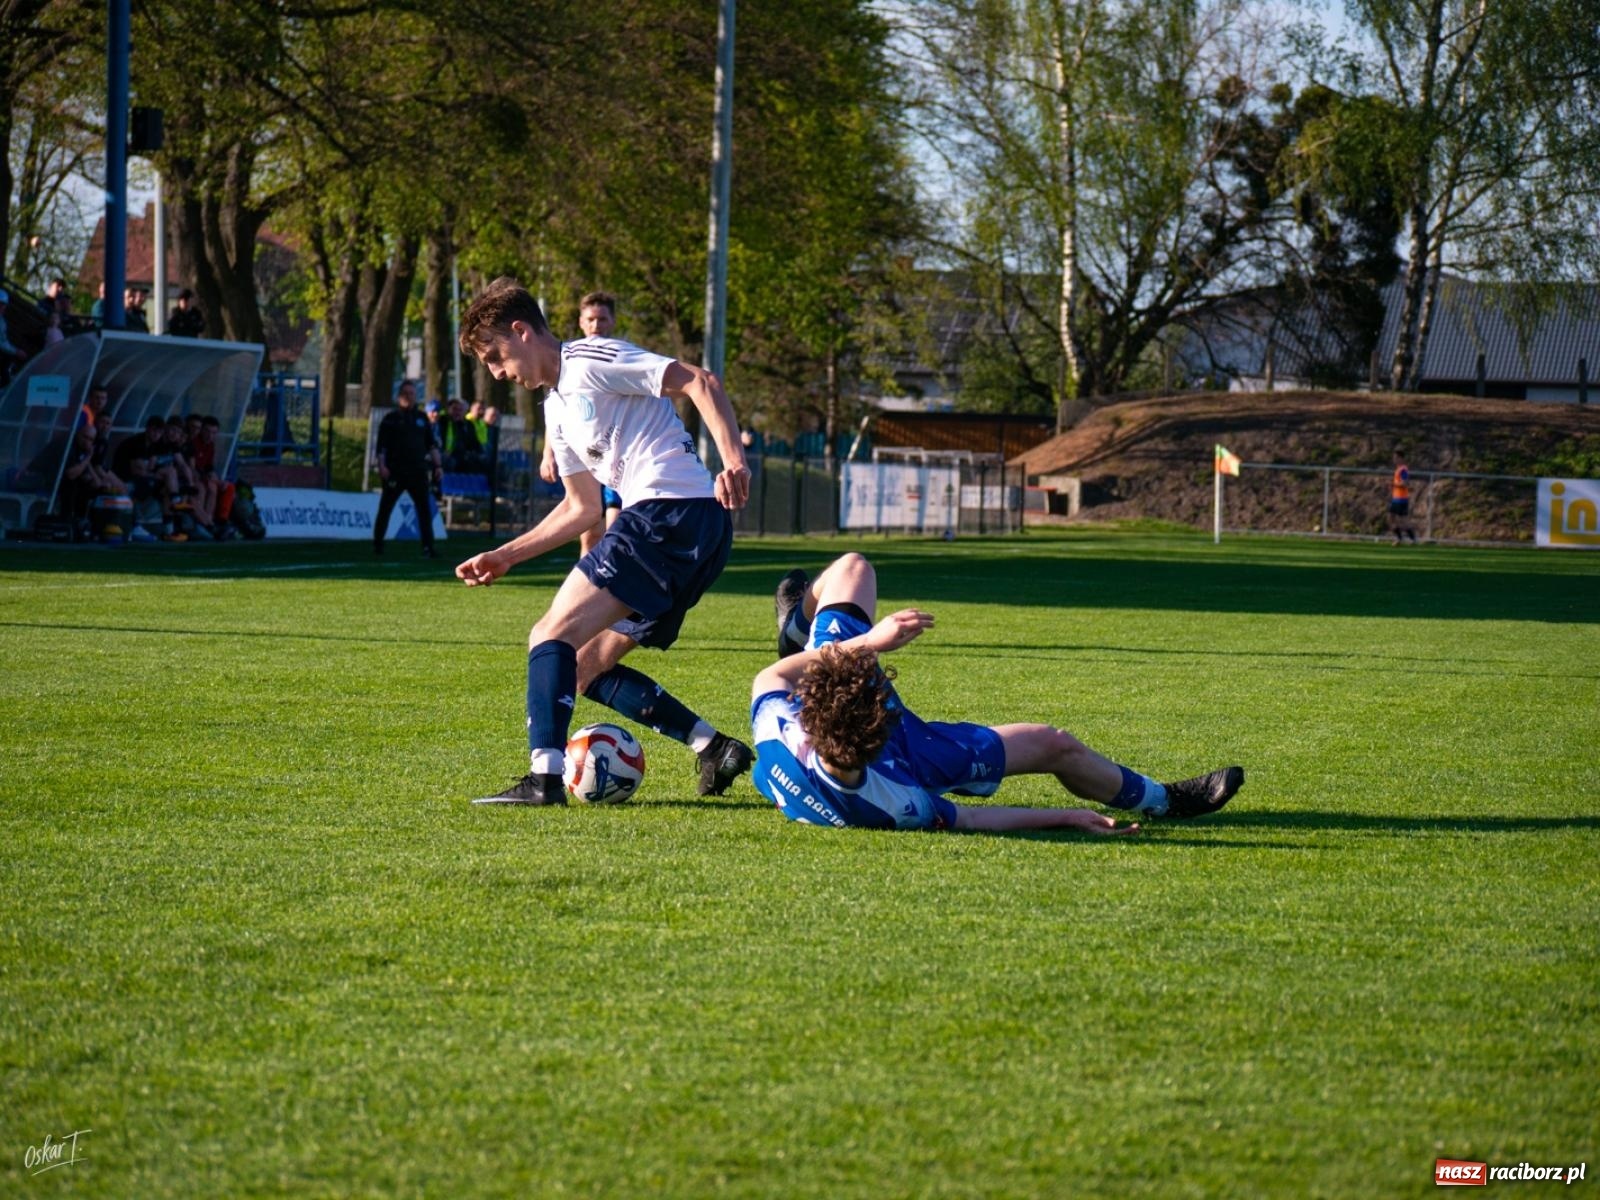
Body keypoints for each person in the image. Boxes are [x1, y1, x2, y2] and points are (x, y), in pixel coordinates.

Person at [454, 276, 753, 806]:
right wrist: (505, 556)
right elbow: (583, 508)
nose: (497, 373)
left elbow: (699, 381)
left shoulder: (590, 360)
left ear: (522, 332)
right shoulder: (555, 408)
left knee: (550, 634)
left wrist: (734, 462)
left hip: (666, 513)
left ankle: (544, 780)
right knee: (584, 666)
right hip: (694, 529)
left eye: (495, 357)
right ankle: (713, 747)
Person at [750, 554, 1246, 832]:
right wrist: (1066, 817)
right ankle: (1165, 800)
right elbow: (970, 817)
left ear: (810, 709)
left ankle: (797, 628)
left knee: (852, 568)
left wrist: (868, 644)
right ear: (879, 729)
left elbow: (775, 674)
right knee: (1052, 743)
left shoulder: (777, 724)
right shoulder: (897, 802)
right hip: (912, 757)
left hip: (839, 714)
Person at [540, 291, 624, 555]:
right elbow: (556, 411)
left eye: (602, 319)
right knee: (590, 533)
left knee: (615, 531)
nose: (596, 325)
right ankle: (588, 575)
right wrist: (548, 454)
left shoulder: (621, 357)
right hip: (586, 457)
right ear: (581, 322)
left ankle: (611, 576)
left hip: (619, 456)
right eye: (591, 319)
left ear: (612, 321)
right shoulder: (568, 362)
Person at [373, 379, 441, 557]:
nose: (409, 397)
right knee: (386, 507)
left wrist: (438, 465)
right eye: (405, 394)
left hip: (418, 471)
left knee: (424, 510)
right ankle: (378, 544)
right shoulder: (390, 419)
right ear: (399, 396)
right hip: (395, 471)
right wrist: (382, 466)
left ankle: (428, 547)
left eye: (412, 394)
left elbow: (431, 445)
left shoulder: (422, 418)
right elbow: (381, 447)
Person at [439, 397, 486, 472]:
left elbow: (474, 442)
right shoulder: (442, 421)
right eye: (454, 409)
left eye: (460, 410)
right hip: (445, 455)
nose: (457, 412)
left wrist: (480, 453)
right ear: (448, 409)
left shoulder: (466, 425)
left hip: (461, 456)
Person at [1389, 448, 1418, 545]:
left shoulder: (1403, 470)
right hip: (1396, 498)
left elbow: (1405, 483)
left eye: (1396, 457)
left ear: (1401, 458)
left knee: (1403, 520)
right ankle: (1399, 538)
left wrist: (1394, 485)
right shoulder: (1398, 469)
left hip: (1401, 498)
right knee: (1391, 518)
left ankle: (1412, 539)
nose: (1394, 459)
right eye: (1394, 457)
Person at [0, 289, 27, 381]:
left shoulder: (2, 321)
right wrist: (16, 351)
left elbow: (4, 341)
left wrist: (15, 350)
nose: (3, 307)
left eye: (4, 305)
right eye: (1, 304)